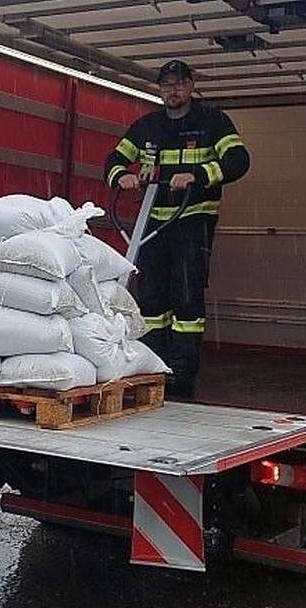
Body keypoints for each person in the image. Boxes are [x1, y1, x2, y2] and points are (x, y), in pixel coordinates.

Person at [103, 59, 250, 398]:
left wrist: (198, 175)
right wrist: (121, 176)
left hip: (192, 221)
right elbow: (114, 160)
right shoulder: (147, 127)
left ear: (191, 85)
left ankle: (181, 374)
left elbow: (239, 160)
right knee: (151, 299)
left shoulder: (212, 121)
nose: (174, 90)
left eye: (180, 83)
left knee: (186, 299)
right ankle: (154, 367)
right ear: (160, 88)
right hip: (152, 225)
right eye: (167, 84)